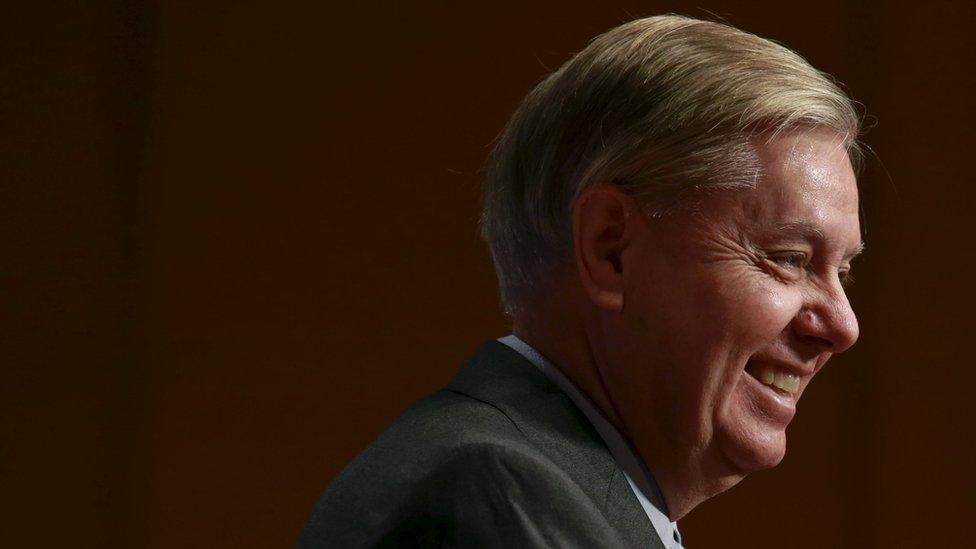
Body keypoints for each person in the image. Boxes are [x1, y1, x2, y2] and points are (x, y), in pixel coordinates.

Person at [298, 14, 863, 548]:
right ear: (609, 248)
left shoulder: (553, 492)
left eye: (842, 271)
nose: (843, 326)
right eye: (789, 258)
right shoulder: (496, 496)